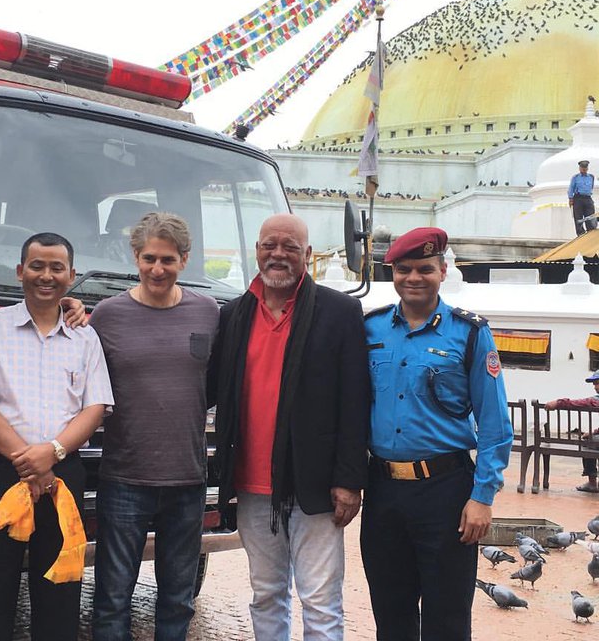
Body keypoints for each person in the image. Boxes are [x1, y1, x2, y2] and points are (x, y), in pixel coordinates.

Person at [207, 213, 371, 641]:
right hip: (252, 485)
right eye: (269, 245)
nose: (278, 254)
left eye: (290, 247)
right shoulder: (233, 315)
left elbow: (355, 400)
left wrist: (349, 479)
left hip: (314, 486)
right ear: (257, 250)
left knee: (319, 600)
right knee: (265, 593)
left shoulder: (339, 312)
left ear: (308, 255)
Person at [0, 232, 113, 641]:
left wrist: (53, 453)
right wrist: (28, 462)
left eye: (57, 268)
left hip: (63, 478)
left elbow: (94, 408)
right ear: (21, 270)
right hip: (0, 476)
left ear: (71, 275)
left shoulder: (85, 337)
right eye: (37, 266)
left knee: (60, 592)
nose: (47, 276)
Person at [361, 226, 514, 641]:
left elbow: (496, 425)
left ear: (443, 271)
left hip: (446, 491)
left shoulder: (469, 333)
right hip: (383, 490)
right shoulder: (370, 330)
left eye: (424, 269)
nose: (414, 278)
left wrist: (482, 497)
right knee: (390, 614)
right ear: (391, 272)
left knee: (446, 618)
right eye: (404, 269)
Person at [89, 212, 219, 641]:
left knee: (178, 599)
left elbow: (219, 382)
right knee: (112, 597)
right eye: (148, 258)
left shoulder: (208, 312)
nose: (157, 269)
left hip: (187, 479)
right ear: (136, 257)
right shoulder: (107, 315)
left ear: (184, 259)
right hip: (124, 477)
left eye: (167, 259)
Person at [545, 370, 599, 493]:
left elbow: (583, 402)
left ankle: (592, 482)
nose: (595, 387)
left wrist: (558, 403)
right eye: (594, 384)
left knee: (588, 443)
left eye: (597, 383)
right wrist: (594, 432)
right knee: (592, 440)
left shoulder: (596, 400)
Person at [569, 159, 596, 235]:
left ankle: (590, 232)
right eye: (582, 168)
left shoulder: (591, 177)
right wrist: (570, 198)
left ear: (587, 168)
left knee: (590, 216)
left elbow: (591, 187)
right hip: (578, 198)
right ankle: (580, 233)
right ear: (579, 168)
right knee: (578, 217)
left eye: (585, 168)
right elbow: (571, 188)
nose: (583, 169)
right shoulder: (576, 177)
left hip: (588, 198)